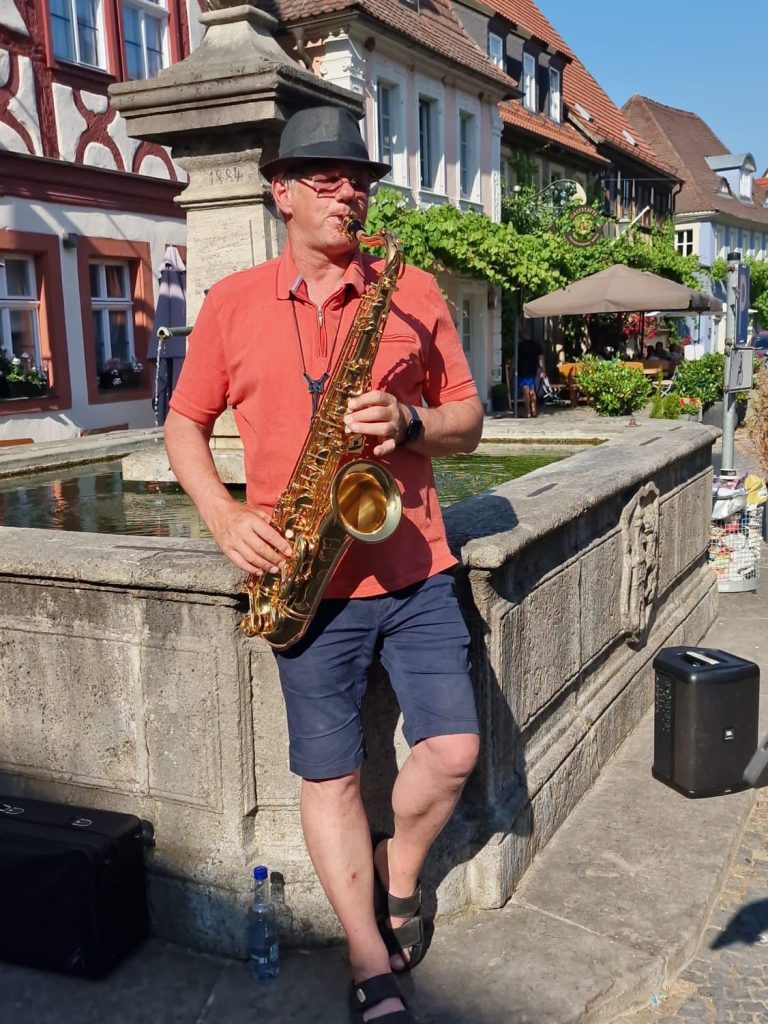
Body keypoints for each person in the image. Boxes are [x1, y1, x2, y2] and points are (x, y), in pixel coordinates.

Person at [164, 106, 483, 1024]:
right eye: (328, 177)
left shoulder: (411, 290)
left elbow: (468, 419)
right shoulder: (230, 305)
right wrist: (223, 516)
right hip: (304, 580)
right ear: (283, 191)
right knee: (330, 777)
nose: (351, 193)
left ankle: (401, 878)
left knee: (454, 752)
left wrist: (413, 422)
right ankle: (365, 955)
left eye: (361, 180)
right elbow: (183, 426)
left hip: (414, 564)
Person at [517, 329, 545, 418]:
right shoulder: (537, 345)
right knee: (532, 390)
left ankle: (528, 411)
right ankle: (534, 410)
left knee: (526, 391)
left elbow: (515, 359)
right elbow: (541, 359)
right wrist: (543, 370)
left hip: (523, 370)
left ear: (523, 335)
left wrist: (511, 371)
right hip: (533, 370)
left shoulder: (519, 346)